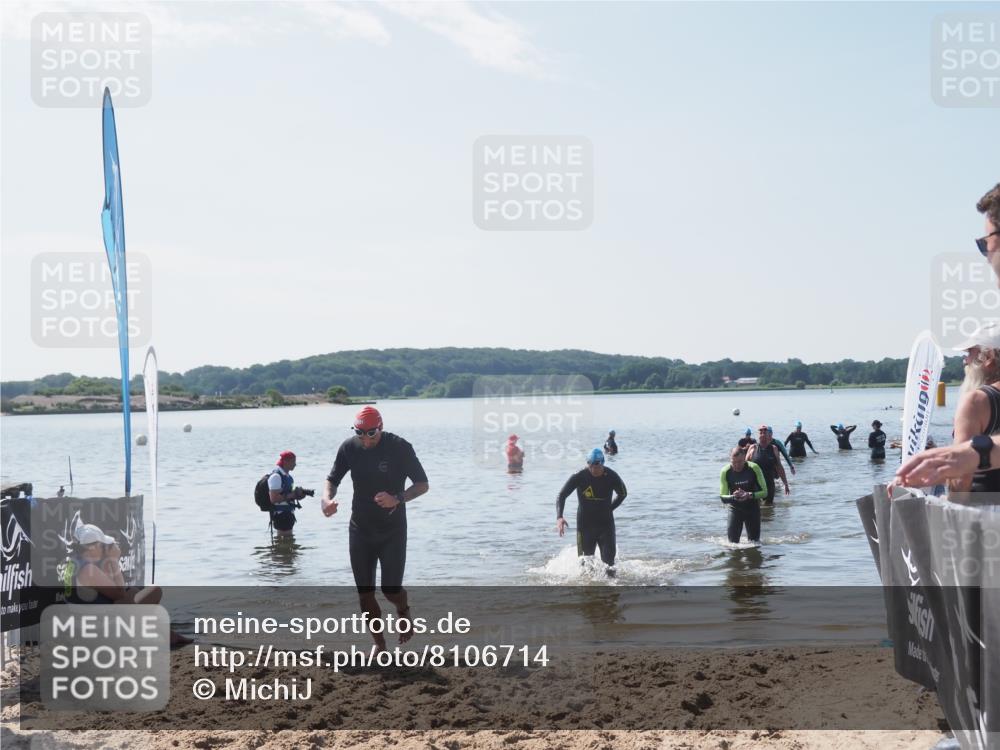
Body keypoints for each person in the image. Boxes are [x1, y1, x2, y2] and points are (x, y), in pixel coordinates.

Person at [896, 184, 1000, 489]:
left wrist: (972, 453)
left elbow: (961, 486)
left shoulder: (978, 401)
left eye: (986, 243)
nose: (985, 256)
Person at [322, 407, 429, 650]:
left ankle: (403, 610)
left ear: (380, 427)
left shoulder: (399, 447)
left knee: (391, 590)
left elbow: (422, 485)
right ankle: (379, 644)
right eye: (360, 433)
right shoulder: (349, 448)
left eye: (371, 433)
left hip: (392, 530)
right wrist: (326, 499)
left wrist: (397, 498)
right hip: (360, 528)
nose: (366, 439)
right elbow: (332, 479)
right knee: (365, 593)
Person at [62, 523, 190, 645]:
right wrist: (113, 561)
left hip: (80, 626)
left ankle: (169, 635)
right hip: (97, 633)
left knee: (133, 592)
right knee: (154, 591)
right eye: (102, 545)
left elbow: (110, 589)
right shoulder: (89, 570)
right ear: (92, 547)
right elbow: (120, 594)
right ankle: (164, 635)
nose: (104, 549)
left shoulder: (74, 563)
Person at [946, 323, 1000, 495]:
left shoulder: (977, 401)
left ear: (989, 356)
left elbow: (961, 475)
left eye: (970, 352)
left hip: (985, 511)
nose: (965, 360)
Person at [556, 448, 627, 576]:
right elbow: (562, 495)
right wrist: (559, 517)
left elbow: (623, 493)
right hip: (585, 526)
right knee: (585, 566)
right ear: (588, 464)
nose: (594, 470)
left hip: (606, 526)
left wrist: (609, 508)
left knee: (609, 566)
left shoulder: (611, 476)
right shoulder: (579, 476)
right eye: (591, 466)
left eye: (597, 466)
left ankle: (610, 593)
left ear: (602, 463)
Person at [719, 447, 768, 544]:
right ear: (730, 460)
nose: (737, 465)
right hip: (735, 509)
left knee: (754, 544)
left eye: (740, 462)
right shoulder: (725, 471)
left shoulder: (754, 468)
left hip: (752, 509)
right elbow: (723, 497)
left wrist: (749, 495)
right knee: (732, 545)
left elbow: (765, 492)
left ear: (745, 458)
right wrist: (733, 497)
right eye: (734, 462)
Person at [267, 450, 308, 537]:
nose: (295, 464)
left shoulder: (288, 477)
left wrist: (298, 496)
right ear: (286, 461)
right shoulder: (276, 476)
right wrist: (293, 495)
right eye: (293, 462)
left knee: (288, 542)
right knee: (284, 540)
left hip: (288, 513)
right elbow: (273, 499)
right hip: (281, 515)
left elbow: (288, 495)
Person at [745, 425, 790, 504]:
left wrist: (785, 483)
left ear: (769, 435)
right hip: (755, 485)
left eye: (764, 432)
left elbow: (779, 467)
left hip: (769, 484)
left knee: (769, 509)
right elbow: (744, 466)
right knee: (756, 508)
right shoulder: (753, 448)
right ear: (758, 435)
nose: (762, 434)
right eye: (760, 432)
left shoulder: (774, 449)